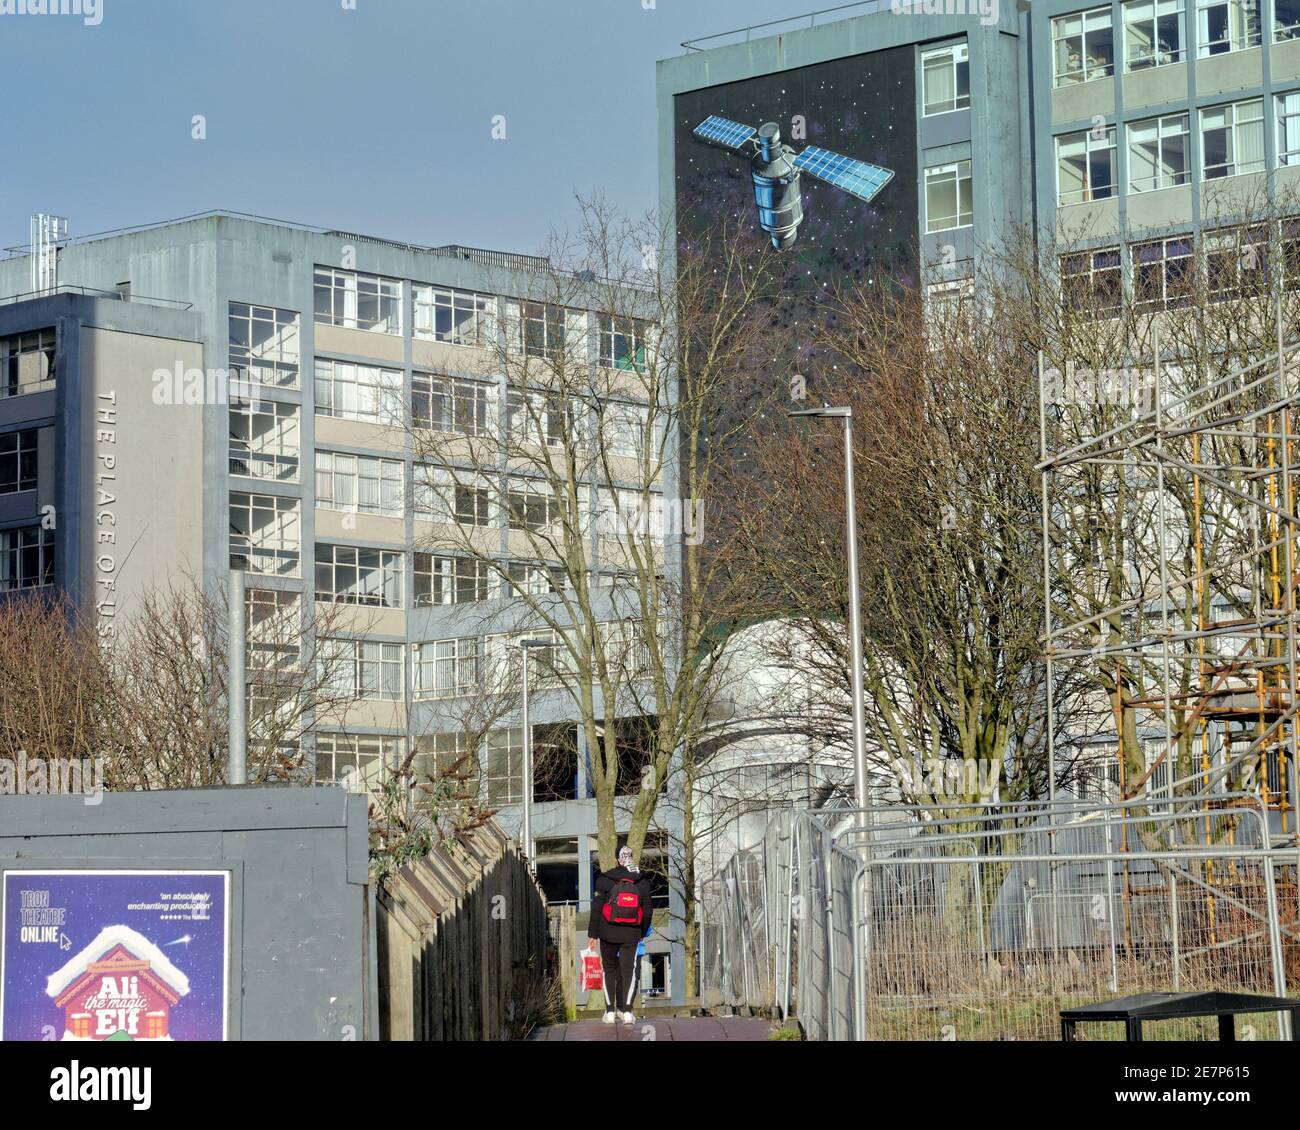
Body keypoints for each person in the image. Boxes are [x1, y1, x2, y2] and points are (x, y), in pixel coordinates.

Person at [587, 845, 653, 1025]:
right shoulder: (642, 881)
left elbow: (597, 907)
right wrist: (642, 931)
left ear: (617, 859)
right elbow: (647, 910)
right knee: (629, 970)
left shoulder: (605, 879)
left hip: (607, 931)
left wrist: (592, 933)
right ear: (631, 858)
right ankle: (628, 1011)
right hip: (631, 932)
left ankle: (609, 1012)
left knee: (609, 969)